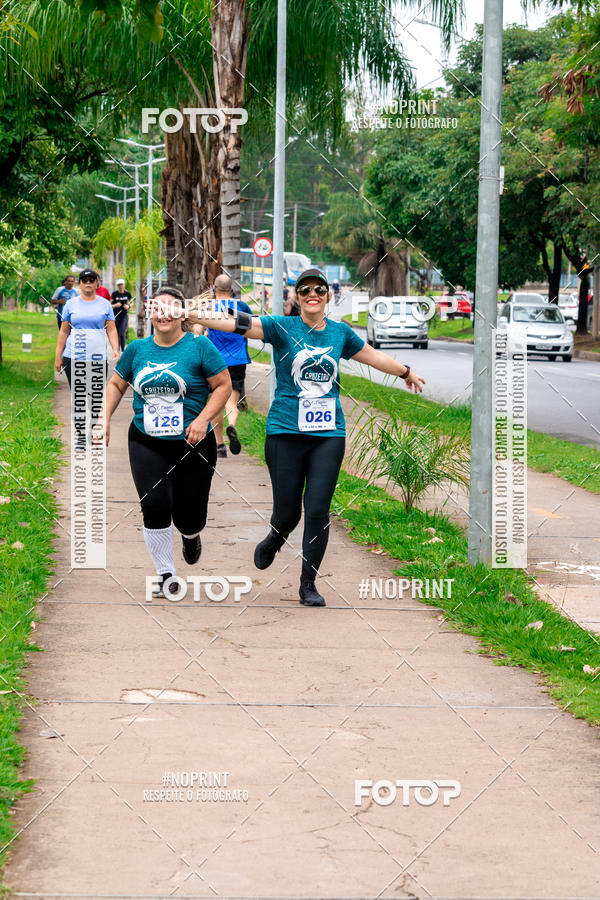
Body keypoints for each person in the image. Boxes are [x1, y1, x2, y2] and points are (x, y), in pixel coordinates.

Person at [186, 267, 425, 608]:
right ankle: (276, 536)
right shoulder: (282, 327)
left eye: (319, 289)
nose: (313, 294)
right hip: (285, 432)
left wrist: (405, 372)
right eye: (305, 290)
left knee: (317, 510)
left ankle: (308, 584)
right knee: (288, 513)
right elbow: (239, 324)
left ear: (328, 296)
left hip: (328, 434)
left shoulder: (340, 334)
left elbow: (372, 356)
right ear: (296, 298)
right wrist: (192, 315)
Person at [101, 286, 231, 598]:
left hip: (194, 442)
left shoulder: (200, 347)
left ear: (182, 314)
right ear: (149, 313)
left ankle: (190, 534)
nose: (163, 314)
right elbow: (118, 383)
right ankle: (165, 574)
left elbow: (223, 386)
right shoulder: (137, 350)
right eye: (157, 308)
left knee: (190, 514)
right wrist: (104, 417)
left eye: (171, 308)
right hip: (146, 440)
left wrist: (202, 420)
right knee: (154, 503)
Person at [54, 269, 119, 449]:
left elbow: (111, 329)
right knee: (80, 397)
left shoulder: (104, 304)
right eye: (84, 280)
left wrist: (115, 349)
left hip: (98, 358)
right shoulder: (71, 304)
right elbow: (64, 331)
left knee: (96, 397)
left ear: (97, 283)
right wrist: (58, 357)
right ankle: (81, 436)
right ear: (80, 284)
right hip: (73, 357)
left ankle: (93, 430)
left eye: (92, 280)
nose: (88, 282)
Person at [205, 274, 252, 459]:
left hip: (215, 362)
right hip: (238, 361)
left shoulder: (209, 308)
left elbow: (200, 332)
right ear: (231, 289)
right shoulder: (241, 307)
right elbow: (250, 330)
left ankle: (220, 445)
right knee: (232, 402)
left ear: (213, 288)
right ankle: (231, 425)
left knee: (216, 403)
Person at [111, 278, 132, 352]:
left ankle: (123, 350)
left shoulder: (127, 294)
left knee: (122, 332)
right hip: (116, 316)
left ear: (124, 285)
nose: (120, 286)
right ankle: (117, 349)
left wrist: (128, 306)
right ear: (117, 286)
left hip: (124, 315)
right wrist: (115, 305)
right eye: (119, 285)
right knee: (117, 333)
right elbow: (110, 305)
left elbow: (131, 302)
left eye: (122, 285)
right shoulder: (114, 294)